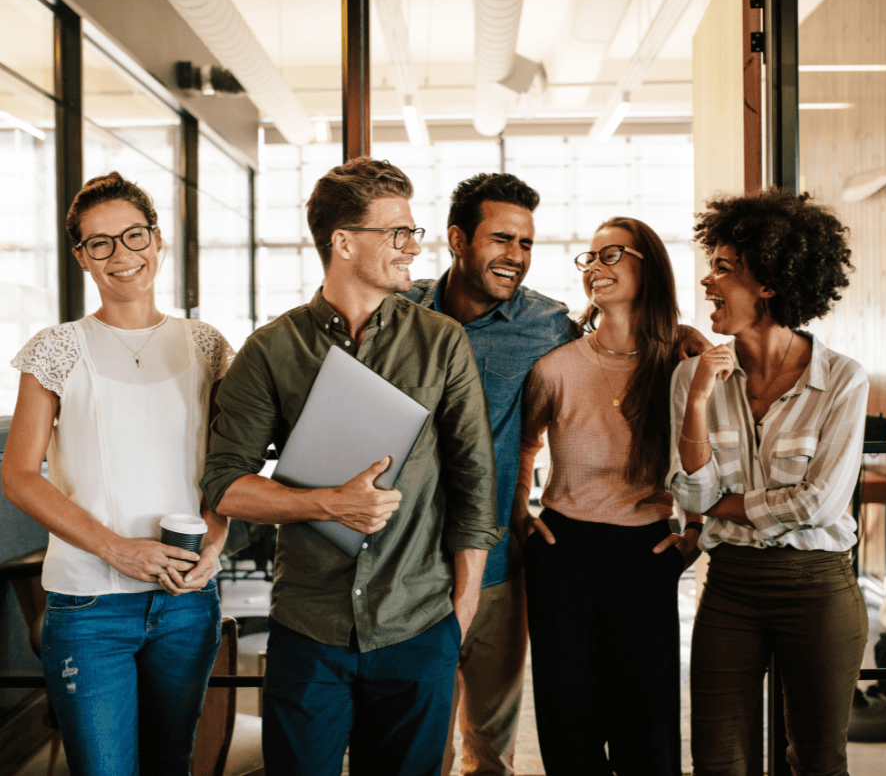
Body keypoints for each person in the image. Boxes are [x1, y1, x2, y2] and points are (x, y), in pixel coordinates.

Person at [200, 157, 501, 776]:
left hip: (419, 621)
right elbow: (225, 483)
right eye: (398, 233)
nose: (413, 247)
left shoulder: (442, 341)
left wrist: (463, 606)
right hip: (309, 625)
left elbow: (475, 483)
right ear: (343, 242)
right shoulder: (272, 350)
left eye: (413, 232)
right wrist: (326, 503)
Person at [1, 172, 232, 776]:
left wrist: (215, 540)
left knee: (171, 762)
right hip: (89, 605)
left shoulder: (206, 344)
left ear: (157, 240)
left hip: (185, 602)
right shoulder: (56, 347)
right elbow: (19, 475)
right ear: (82, 257)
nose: (121, 254)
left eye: (134, 235)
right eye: (99, 243)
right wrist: (116, 549)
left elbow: (227, 464)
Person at [668, 189, 868, 776]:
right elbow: (690, 495)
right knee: (718, 760)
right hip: (729, 586)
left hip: (819, 587)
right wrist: (699, 399)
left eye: (724, 268)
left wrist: (722, 504)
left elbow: (821, 504)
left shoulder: (842, 380)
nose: (707, 281)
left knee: (817, 759)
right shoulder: (692, 377)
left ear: (771, 283)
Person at [512, 217, 702, 776]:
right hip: (563, 551)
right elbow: (524, 443)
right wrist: (520, 509)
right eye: (589, 258)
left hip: (646, 553)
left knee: (649, 728)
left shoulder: (681, 363)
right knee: (568, 725)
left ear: (650, 266)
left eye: (611, 254)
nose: (595, 266)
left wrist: (695, 529)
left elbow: (708, 453)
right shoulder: (556, 367)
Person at [402, 173, 578, 776]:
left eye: (526, 243)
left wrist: (680, 336)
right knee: (419, 748)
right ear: (457, 239)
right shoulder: (398, 312)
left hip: (500, 562)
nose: (516, 256)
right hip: (408, 568)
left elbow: (621, 349)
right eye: (502, 239)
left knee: (490, 752)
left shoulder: (547, 326)